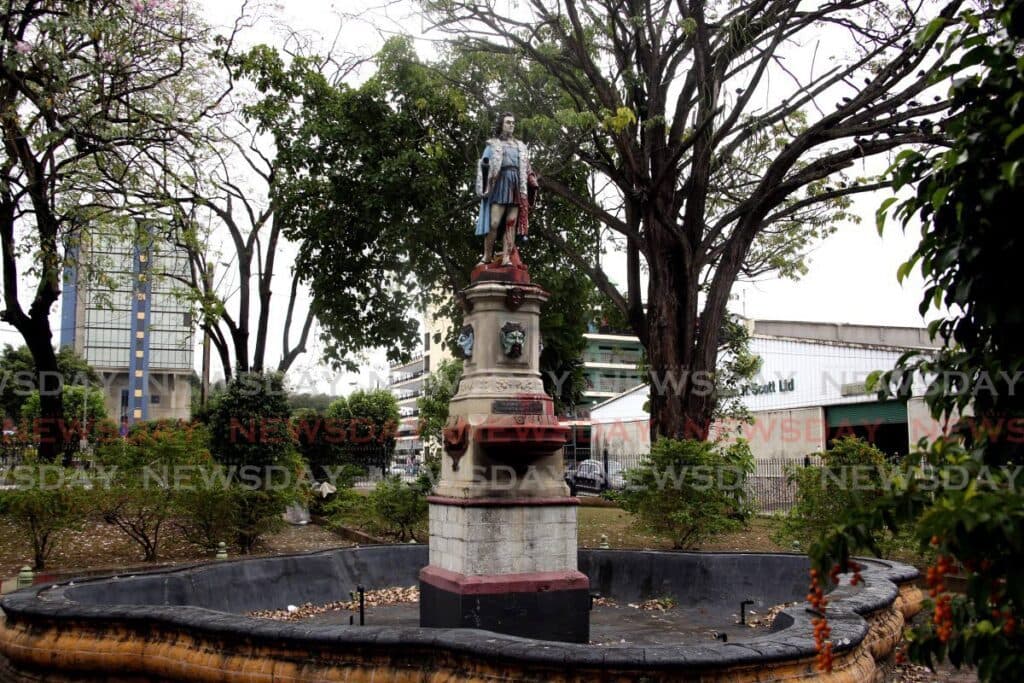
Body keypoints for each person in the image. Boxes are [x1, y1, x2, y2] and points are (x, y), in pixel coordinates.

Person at [475, 112, 536, 265]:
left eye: (513, 122)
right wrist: (485, 168)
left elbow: (527, 167)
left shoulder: (520, 146)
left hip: (516, 184)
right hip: (500, 182)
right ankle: (487, 256)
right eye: (508, 122)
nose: (511, 125)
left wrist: (531, 178)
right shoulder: (494, 144)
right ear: (501, 124)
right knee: (494, 223)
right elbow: (484, 164)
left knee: (511, 223)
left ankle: (507, 258)